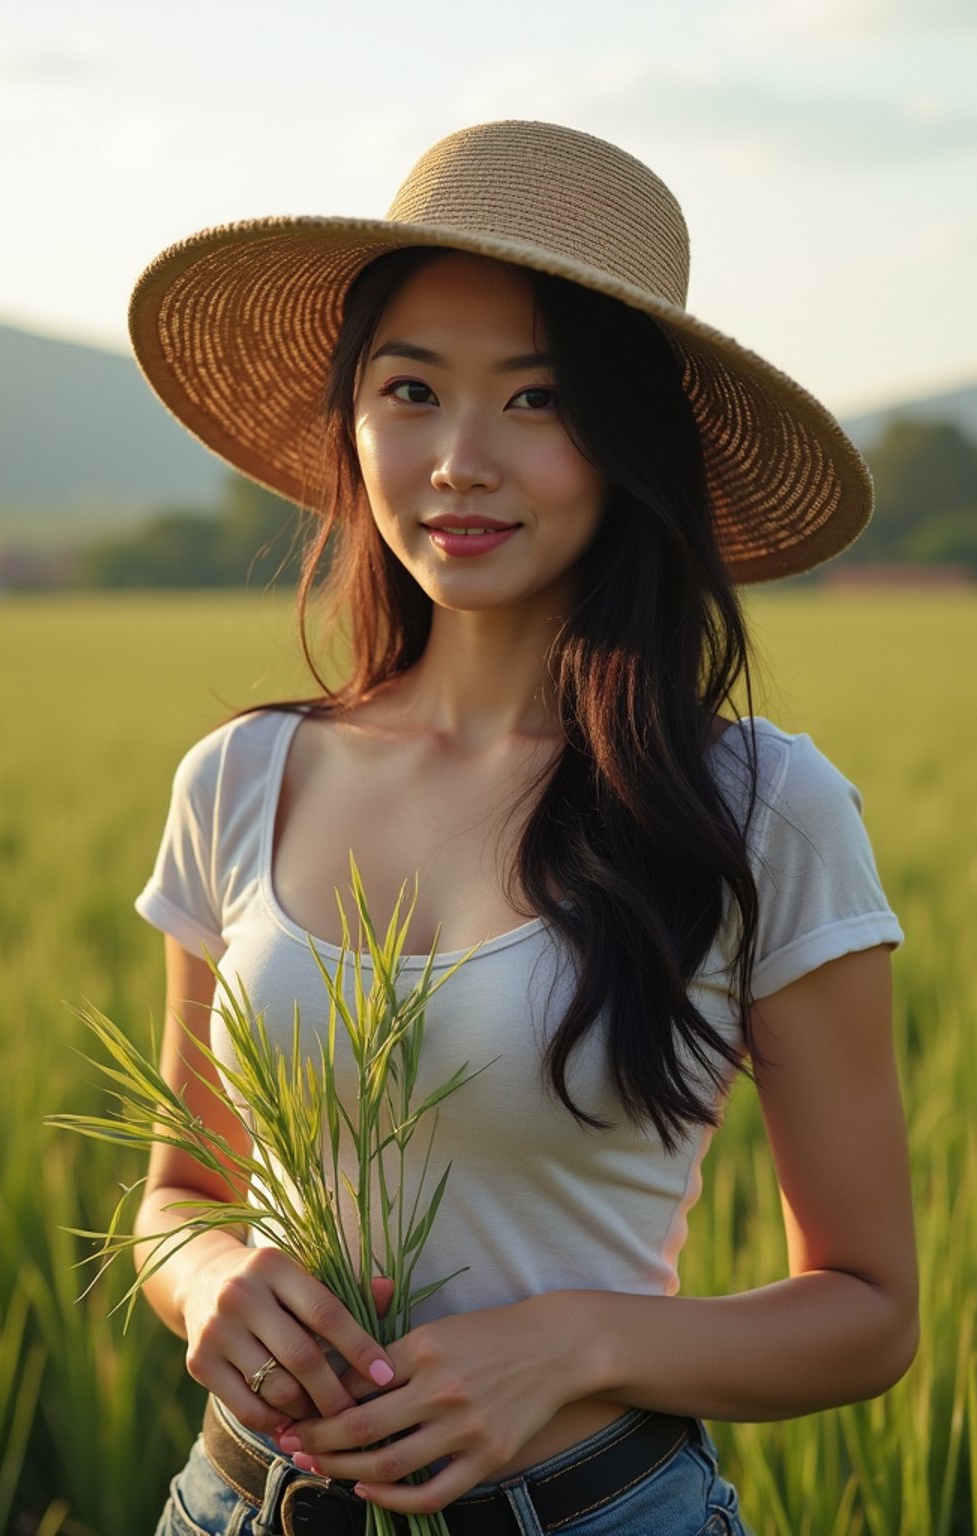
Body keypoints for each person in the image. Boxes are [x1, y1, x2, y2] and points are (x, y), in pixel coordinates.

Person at [129, 120, 918, 1536]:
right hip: (234, 1506)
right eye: (411, 390)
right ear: (354, 420)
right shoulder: (240, 780)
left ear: (632, 447)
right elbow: (182, 1189)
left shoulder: (756, 809)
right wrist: (209, 1280)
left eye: (538, 400)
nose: (458, 461)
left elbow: (866, 1311)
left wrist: (579, 1341)